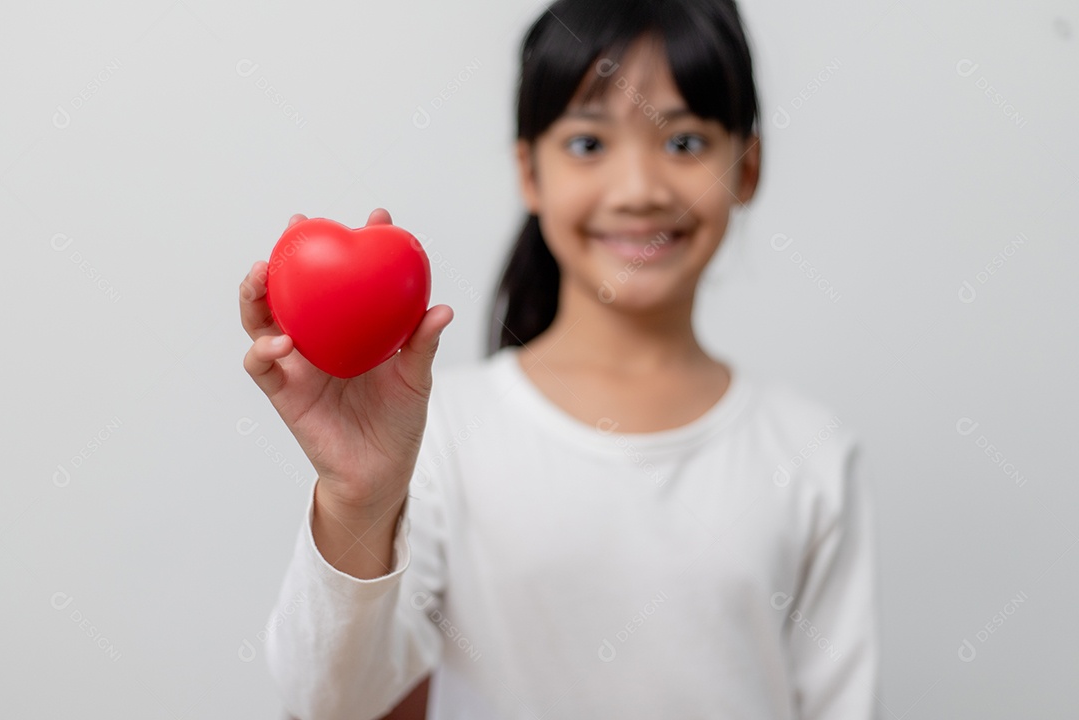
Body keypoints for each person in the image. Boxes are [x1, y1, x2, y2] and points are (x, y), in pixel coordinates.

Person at [239, 0, 881, 718]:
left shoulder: (811, 453)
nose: (639, 190)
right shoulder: (440, 433)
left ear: (748, 166)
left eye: (686, 143)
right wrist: (359, 496)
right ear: (529, 172)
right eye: (587, 144)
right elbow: (330, 703)